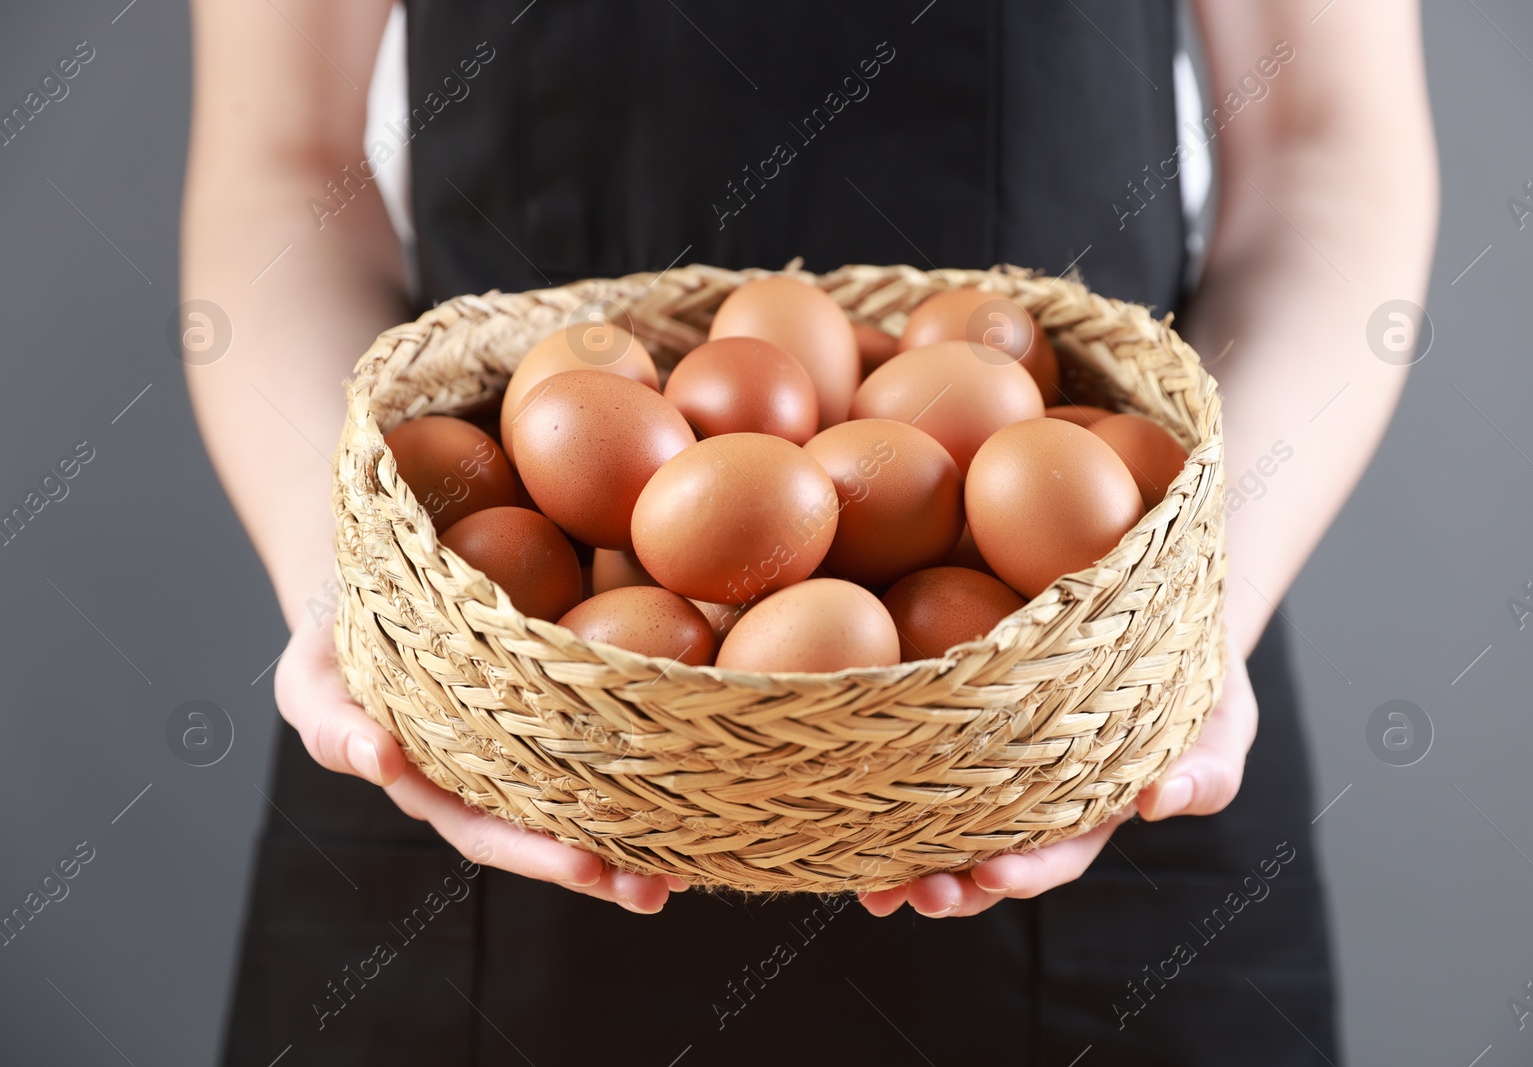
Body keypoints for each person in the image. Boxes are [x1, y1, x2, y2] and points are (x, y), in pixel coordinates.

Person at [182, 1, 1436, 1062]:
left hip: (1081, 715)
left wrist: (1197, 604)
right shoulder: (546, 556)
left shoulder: (1049, 550)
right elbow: (283, 169)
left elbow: (1325, 145)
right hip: (493, 703)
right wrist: (359, 591)